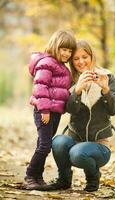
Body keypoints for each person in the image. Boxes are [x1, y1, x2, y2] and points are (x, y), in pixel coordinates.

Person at [43, 40, 115, 192]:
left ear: (91, 56)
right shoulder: (69, 80)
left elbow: (113, 110)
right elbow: (70, 109)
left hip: (99, 146)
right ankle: (63, 180)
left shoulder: (107, 77)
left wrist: (105, 90)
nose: (81, 62)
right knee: (58, 141)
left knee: (77, 153)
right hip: (75, 138)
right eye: (76, 59)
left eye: (85, 57)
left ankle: (93, 178)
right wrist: (76, 91)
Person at [24, 30, 76, 190]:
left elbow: (61, 88)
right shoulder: (47, 63)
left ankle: (38, 177)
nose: (67, 53)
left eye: (69, 50)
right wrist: (45, 110)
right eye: (64, 49)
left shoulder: (62, 67)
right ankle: (30, 175)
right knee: (45, 146)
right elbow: (40, 86)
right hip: (44, 111)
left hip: (55, 112)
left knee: (43, 143)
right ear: (55, 46)